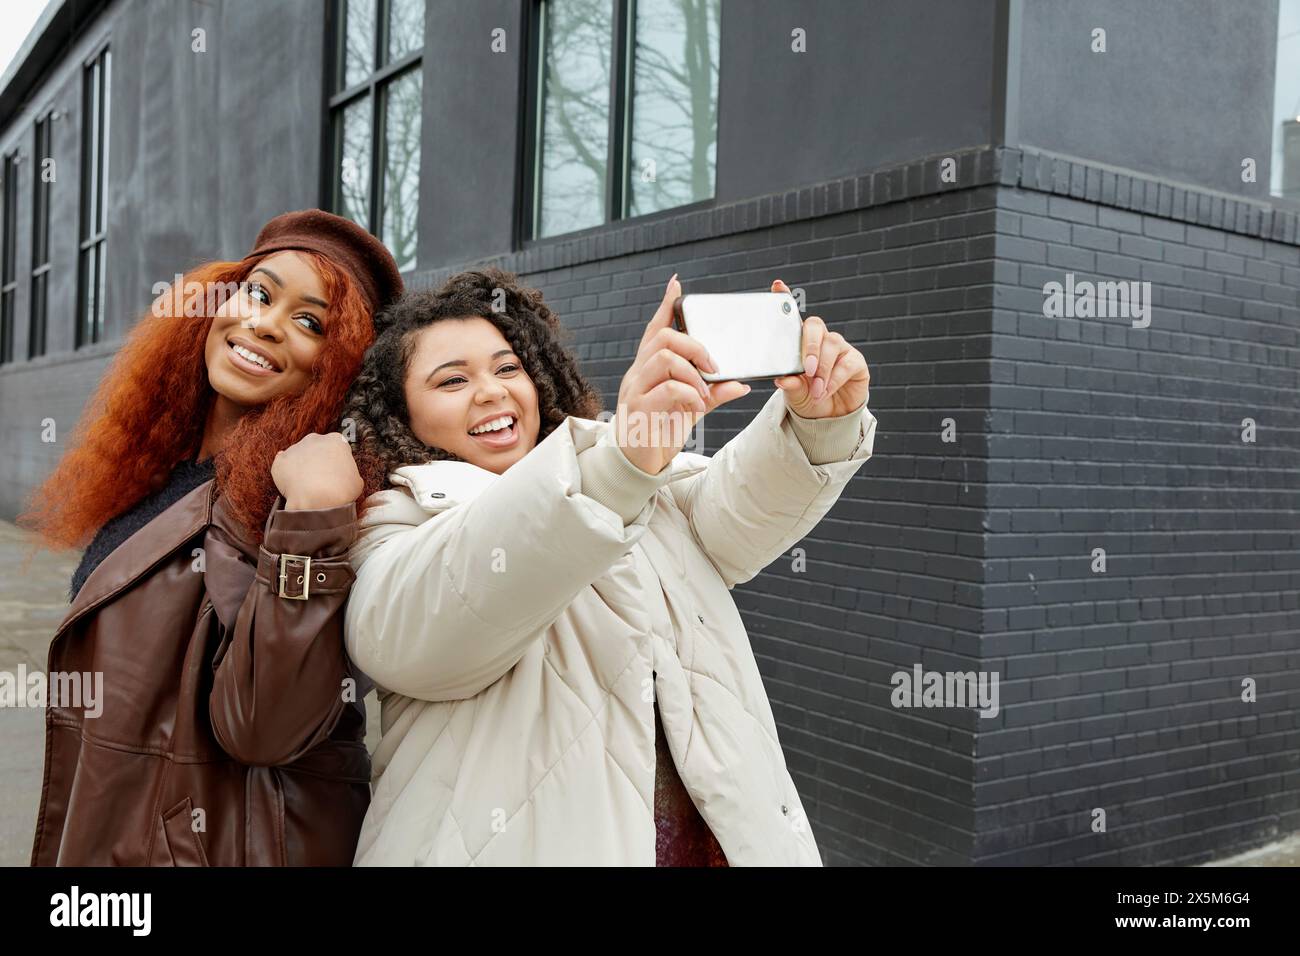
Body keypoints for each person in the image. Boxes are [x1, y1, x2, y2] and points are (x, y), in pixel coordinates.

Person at [342, 267, 876, 865]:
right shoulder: (394, 519)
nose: (490, 390)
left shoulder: (628, 471)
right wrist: (619, 464)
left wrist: (818, 422)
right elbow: (428, 624)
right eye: (452, 380)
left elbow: (732, 510)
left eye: (507, 367)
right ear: (401, 413)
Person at [21, 209, 402, 866]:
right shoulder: (160, 470)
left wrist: (312, 521)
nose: (264, 323)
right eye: (260, 293)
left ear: (336, 367)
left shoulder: (308, 503)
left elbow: (266, 728)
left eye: (309, 322)